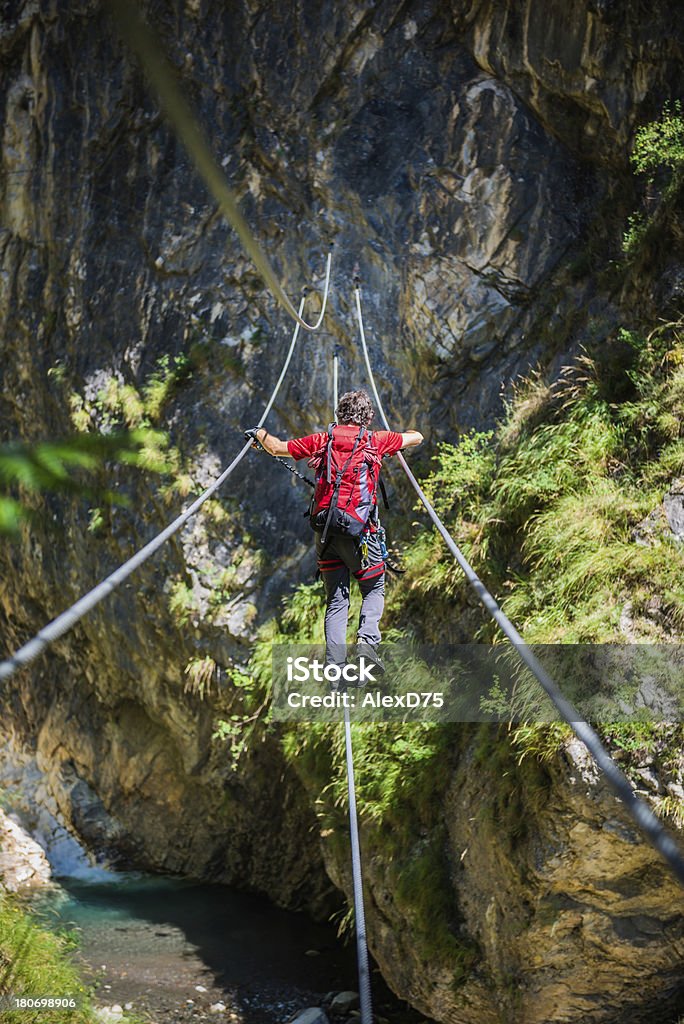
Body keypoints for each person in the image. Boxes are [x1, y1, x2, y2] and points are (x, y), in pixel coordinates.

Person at [247, 390, 423, 671]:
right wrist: (394, 442)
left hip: (326, 535)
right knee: (374, 587)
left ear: (340, 415)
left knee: (337, 601)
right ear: (367, 418)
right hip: (360, 535)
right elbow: (416, 437)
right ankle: (366, 645)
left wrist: (260, 434)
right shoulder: (375, 440)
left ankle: (335, 667)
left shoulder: (322, 440)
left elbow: (278, 447)